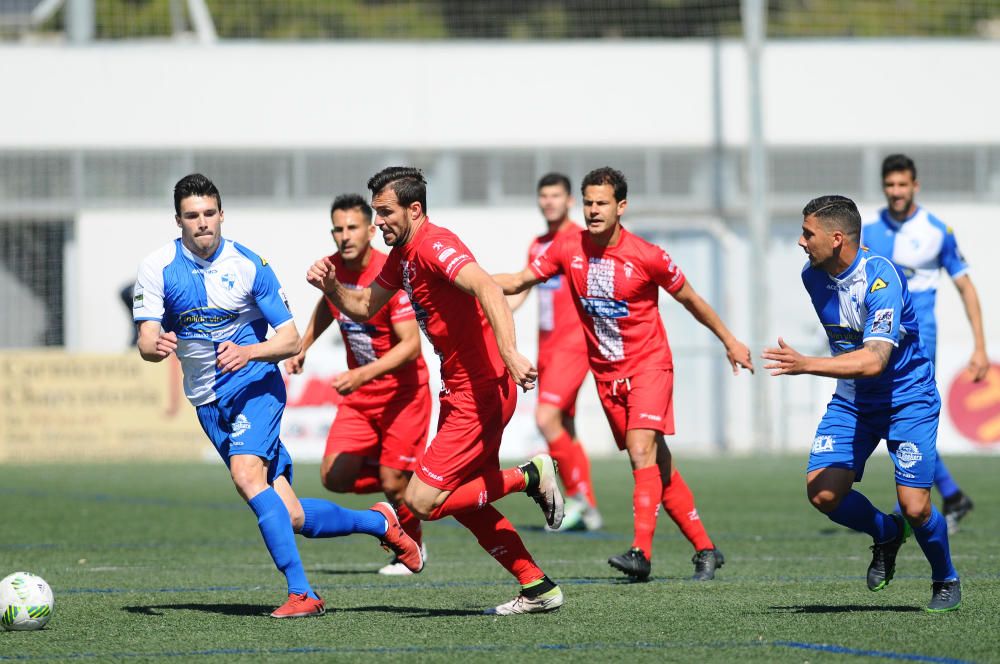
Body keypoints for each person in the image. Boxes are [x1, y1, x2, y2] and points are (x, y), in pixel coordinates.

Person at [134, 174, 422, 619]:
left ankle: (303, 594)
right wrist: (154, 347)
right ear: (179, 221)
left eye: (210, 214)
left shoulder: (250, 265)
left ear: (222, 214)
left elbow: (289, 341)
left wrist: (247, 351)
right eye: (193, 216)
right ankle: (380, 521)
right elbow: (147, 341)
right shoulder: (158, 267)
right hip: (207, 402)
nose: (203, 223)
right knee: (290, 516)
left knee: (247, 476)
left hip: (256, 387)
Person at [306, 166, 565, 615]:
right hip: (461, 392)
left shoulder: (433, 244)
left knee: (422, 501)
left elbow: (485, 285)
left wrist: (510, 351)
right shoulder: (401, 255)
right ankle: (537, 585)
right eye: (376, 212)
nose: (378, 221)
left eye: (385, 212)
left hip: (480, 392)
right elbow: (365, 307)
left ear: (415, 209)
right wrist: (332, 286)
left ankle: (530, 476)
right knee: (466, 502)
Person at [494, 166, 751, 581]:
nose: (594, 210)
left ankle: (640, 554)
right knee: (658, 465)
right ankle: (706, 549)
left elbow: (692, 300)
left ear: (621, 206)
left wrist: (730, 341)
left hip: (650, 366)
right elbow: (519, 280)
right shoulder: (567, 248)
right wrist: (463, 280)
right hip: (607, 376)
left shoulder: (647, 256)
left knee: (639, 452)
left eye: (602, 203)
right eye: (589, 203)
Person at [762, 194, 961, 612]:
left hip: (908, 399)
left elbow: (874, 360)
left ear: (836, 239)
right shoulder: (812, 277)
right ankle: (885, 532)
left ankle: (944, 576)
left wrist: (806, 364)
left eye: (807, 233)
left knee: (916, 506)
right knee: (822, 493)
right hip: (854, 400)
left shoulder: (882, 280)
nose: (800, 242)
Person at [285, 193, 432, 576]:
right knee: (334, 476)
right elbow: (328, 305)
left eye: (352, 227)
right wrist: (302, 347)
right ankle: (403, 482)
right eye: (337, 228)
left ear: (370, 230)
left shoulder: (389, 273)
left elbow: (412, 347)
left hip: (403, 395)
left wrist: (362, 374)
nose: (344, 235)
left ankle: (411, 546)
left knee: (391, 480)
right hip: (362, 397)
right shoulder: (333, 269)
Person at [862, 154, 986, 533]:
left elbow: (966, 287)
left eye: (903, 185)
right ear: (884, 187)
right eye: (890, 185)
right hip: (880, 335)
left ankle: (939, 498)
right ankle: (951, 495)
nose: (896, 192)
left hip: (919, 338)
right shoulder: (868, 233)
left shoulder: (936, 231)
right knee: (891, 419)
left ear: (915, 186)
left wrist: (979, 346)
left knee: (903, 417)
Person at [504, 173, 602, 531]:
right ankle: (588, 508)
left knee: (546, 418)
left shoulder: (581, 239)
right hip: (547, 346)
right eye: (543, 196)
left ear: (569, 201)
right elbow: (521, 292)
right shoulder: (537, 244)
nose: (549, 202)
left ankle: (579, 501)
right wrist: (493, 311)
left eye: (556, 195)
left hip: (574, 344)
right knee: (565, 427)